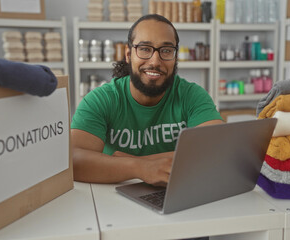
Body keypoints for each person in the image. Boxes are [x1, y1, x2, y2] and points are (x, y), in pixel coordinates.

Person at [71, 14, 223, 186]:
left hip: (174, 192)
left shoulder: (191, 95)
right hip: (112, 199)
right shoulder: (101, 99)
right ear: (129, 55)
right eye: (144, 49)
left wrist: (134, 161)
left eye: (166, 51)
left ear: (175, 57)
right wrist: (140, 169)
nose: (155, 61)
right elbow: (73, 161)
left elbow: (217, 149)